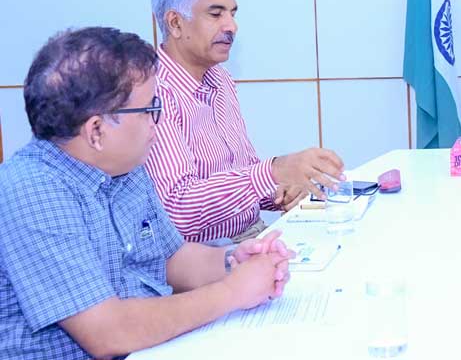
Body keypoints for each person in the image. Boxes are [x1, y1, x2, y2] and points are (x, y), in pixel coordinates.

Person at [0, 27, 293, 359]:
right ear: (96, 130)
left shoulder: (125, 166)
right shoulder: (31, 191)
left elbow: (171, 259)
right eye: (148, 111)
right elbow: (109, 333)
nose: (156, 125)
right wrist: (232, 292)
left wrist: (232, 261)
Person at [147, 0, 345, 243]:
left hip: (253, 236)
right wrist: (273, 171)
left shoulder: (221, 79)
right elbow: (179, 210)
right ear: (175, 23)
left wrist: (284, 188)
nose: (232, 26)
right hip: (201, 254)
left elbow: (243, 173)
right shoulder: (153, 92)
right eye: (216, 14)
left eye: (232, 14)